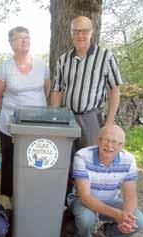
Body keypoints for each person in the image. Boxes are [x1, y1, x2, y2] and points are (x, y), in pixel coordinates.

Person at [66, 124, 143, 237]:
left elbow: (130, 196)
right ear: (98, 140)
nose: (109, 146)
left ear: (121, 146)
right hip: (82, 201)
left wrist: (125, 219)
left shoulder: (129, 160)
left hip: (110, 200)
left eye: (115, 142)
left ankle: (110, 234)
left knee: (139, 221)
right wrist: (117, 215)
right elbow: (85, 196)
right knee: (87, 219)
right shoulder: (82, 156)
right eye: (106, 140)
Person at [0, 26, 50, 196]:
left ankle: (33, 196)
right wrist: (14, 114)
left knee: (36, 160)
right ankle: (8, 200)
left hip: (38, 126)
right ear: (11, 43)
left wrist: (33, 111)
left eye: (27, 37)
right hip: (10, 127)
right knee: (11, 163)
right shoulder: (4, 68)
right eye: (19, 38)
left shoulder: (41, 66)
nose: (24, 41)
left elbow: (45, 91)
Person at [51, 16, 122, 149]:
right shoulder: (63, 59)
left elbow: (115, 90)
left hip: (91, 118)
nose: (80, 35)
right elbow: (57, 90)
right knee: (66, 159)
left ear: (91, 32)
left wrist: (109, 123)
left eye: (84, 31)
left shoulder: (105, 56)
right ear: (71, 33)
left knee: (90, 158)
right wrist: (55, 118)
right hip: (68, 117)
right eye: (76, 31)